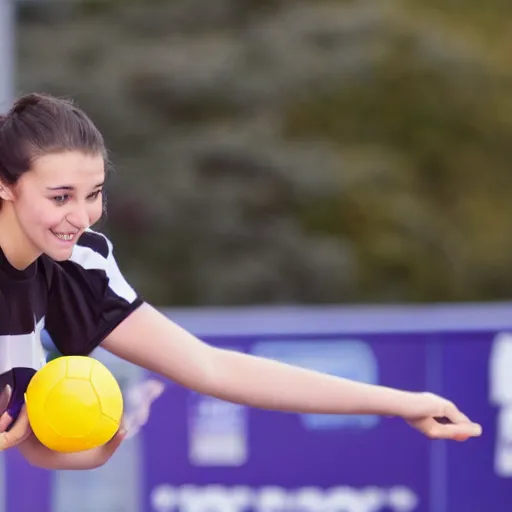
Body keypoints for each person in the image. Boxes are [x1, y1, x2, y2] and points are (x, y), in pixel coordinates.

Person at [0, 92, 482, 470]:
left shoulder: (77, 266)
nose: (82, 216)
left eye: (94, 194)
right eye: (60, 196)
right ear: (6, 183)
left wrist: (405, 403)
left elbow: (213, 368)